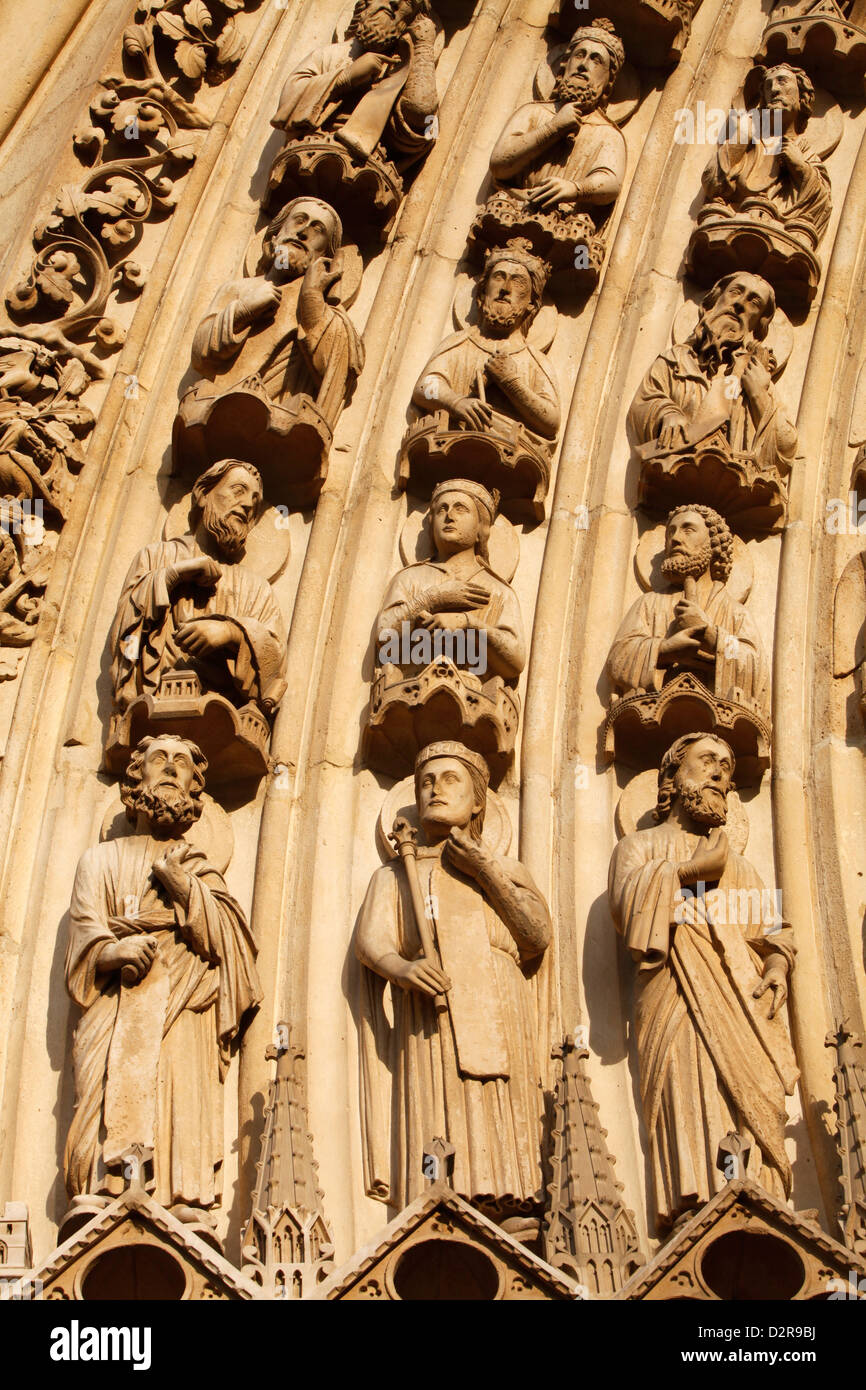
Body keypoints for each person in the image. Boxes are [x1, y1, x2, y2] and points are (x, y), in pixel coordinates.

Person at [64, 735, 261, 1220]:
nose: (171, 771)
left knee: (179, 1080)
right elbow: (85, 927)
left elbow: (232, 943)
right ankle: (106, 1183)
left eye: (182, 765)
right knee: (108, 1086)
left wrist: (184, 889)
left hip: (185, 997)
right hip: (118, 1000)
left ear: (196, 788)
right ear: (137, 780)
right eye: (159, 761)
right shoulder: (100, 859)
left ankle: (181, 1193)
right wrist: (111, 950)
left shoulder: (198, 865)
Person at [608, 733, 798, 1231]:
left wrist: (777, 967)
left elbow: (773, 931)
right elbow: (631, 914)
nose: (719, 773)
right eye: (706, 762)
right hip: (677, 998)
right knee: (689, 1081)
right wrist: (692, 871)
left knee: (749, 1095)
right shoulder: (639, 845)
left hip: (743, 1003)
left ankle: (761, 1192)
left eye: (727, 767)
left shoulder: (740, 866)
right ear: (672, 777)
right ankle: (694, 1196)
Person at [354, 740, 550, 1218]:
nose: (434, 789)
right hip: (430, 1014)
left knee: (502, 1105)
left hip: (501, 1008)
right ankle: (435, 1199)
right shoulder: (397, 876)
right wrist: (402, 968)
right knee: (440, 1104)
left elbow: (536, 937)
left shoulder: (504, 868)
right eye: (426, 781)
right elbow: (371, 941)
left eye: (449, 779)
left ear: (479, 800)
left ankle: (515, 1202)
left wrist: (486, 871)